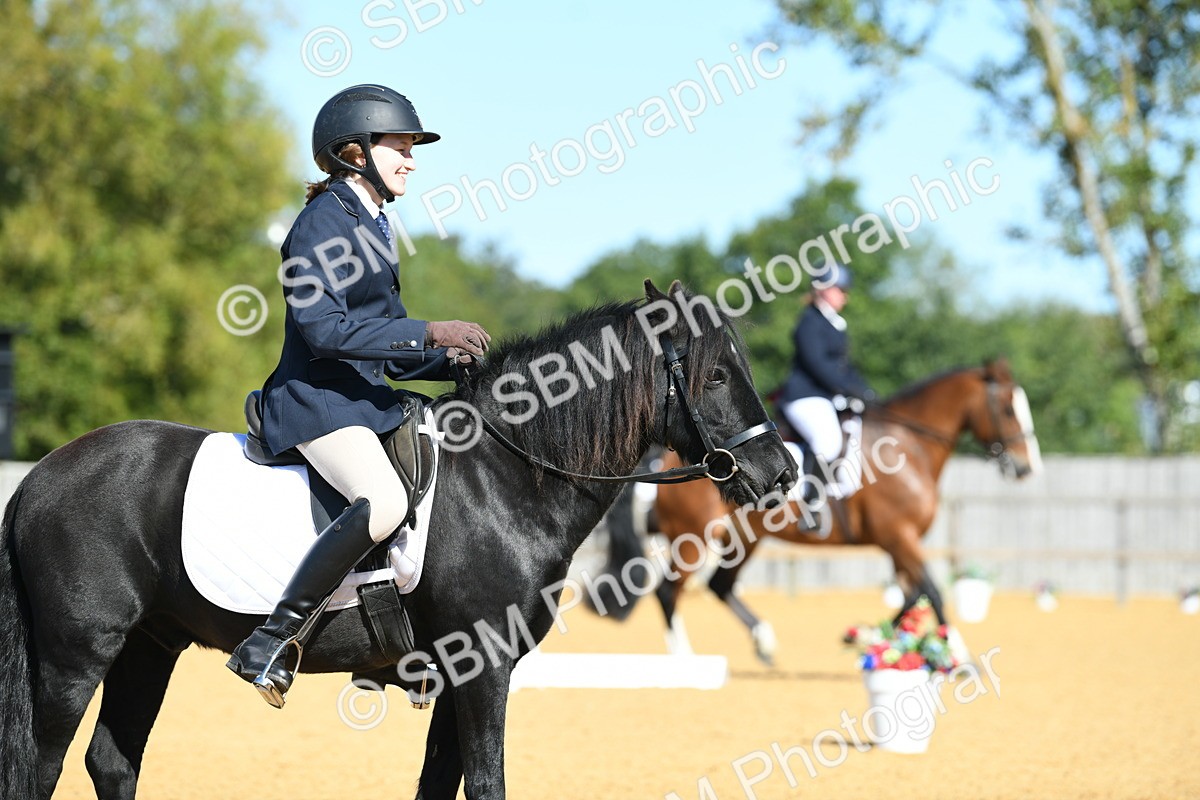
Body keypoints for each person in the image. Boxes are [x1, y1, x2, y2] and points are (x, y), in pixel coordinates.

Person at [226, 84, 491, 707]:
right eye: (400, 145)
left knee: (440, 484)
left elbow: (380, 337)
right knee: (381, 502)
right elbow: (324, 331)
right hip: (316, 400)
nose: (411, 159)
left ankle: (388, 648)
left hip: (361, 398)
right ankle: (272, 641)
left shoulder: (372, 223)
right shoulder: (321, 223)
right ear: (354, 151)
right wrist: (429, 329)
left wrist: (451, 362)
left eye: (411, 148)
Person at [778, 263, 872, 502]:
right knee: (828, 441)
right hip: (805, 396)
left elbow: (844, 367)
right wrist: (848, 388)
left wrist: (866, 391)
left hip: (827, 397)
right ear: (823, 289)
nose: (845, 295)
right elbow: (817, 364)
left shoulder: (835, 323)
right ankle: (813, 502)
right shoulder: (809, 322)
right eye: (839, 289)